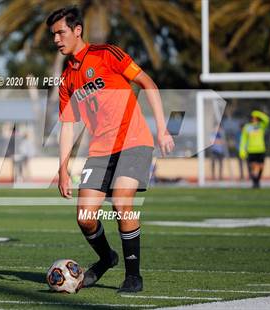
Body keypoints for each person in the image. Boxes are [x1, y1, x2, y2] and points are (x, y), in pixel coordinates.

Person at [47, 6, 174, 293]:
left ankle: (133, 276)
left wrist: (162, 128)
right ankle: (107, 259)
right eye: (53, 35)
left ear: (77, 30)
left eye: (60, 32)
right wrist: (63, 168)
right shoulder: (67, 79)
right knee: (85, 217)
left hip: (135, 141)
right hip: (100, 151)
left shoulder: (107, 54)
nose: (56, 39)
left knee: (121, 203)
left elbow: (148, 83)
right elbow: (68, 125)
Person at [239, 110, 270, 188]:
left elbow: (267, 119)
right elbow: (243, 139)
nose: (254, 118)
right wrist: (242, 150)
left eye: (256, 117)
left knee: (261, 166)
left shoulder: (261, 126)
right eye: (253, 117)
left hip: (261, 149)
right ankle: (254, 182)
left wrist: (258, 113)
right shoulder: (247, 127)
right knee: (252, 166)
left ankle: (257, 180)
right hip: (251, 150)